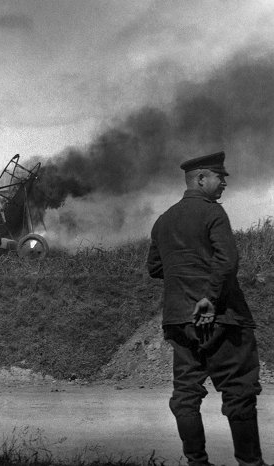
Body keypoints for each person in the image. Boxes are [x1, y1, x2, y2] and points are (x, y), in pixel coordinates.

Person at [147, 151, 268, 466]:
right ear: (201, 179)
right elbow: (227, 261)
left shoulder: (163, 221)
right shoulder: (213, 213)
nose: (225, 182)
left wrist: (185, 276)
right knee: (239, 389)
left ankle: (197, 462)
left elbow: (155, 268)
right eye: (220, 176)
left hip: (178, 321)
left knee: (186, 393)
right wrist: (210, 298)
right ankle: (250, 463)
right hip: (223, 320)